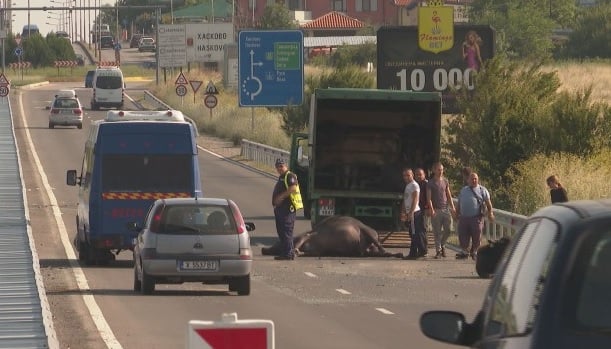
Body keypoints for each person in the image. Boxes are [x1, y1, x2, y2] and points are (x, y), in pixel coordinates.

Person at [455, 172, 494, 260]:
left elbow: (489, 204)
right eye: (472, 179)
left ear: (478, 179)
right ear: (468, 180)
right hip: (464, 217)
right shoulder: (464, 190)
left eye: (475, 179)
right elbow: (459, 203)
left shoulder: (482, 190)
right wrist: (456, 214)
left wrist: (490, 213)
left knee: (477, 234)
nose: (474, 180)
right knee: (463, 234)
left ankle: (475, 251)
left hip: (476, 217)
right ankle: (464, 251)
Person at [427, 162, 456, 258]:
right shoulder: (430, 183)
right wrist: (431, 209)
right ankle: (438, 251)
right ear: (434, 170)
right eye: (439, 169)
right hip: (436, 209)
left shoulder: (445, 181)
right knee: (437, 232)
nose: (441, 171)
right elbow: (429, 198)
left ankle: (442, 244)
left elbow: (448, 195)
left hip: (445, 208)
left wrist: (452, 207)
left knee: (449, 230)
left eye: (442, 170)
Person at [271, 158, 299, 260]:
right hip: (281, 209)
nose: (279, 168)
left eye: (281, 166)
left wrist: (281, 197)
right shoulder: (281, 177)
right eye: (278, 167)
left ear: (285, 166)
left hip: (287, 209)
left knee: (286, 231)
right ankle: (286, 252)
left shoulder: (289, 175)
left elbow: (293, 188)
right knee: (281, 231)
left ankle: (288, 253)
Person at [400, 168, 427, 259]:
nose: (406, 177)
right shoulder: (408, 186)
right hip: (409, 212)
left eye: (408, 175)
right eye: (404, 175)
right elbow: (405, 199)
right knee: (412, 233)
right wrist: (403, 212)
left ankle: (414, 253)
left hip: (415, 212)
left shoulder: (415, 185)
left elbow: (415, 199)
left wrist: (411, 212)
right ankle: (418, 251)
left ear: (412, 175)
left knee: (415, 233)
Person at [414, 168, 430, 256]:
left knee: (422, 230)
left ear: (424, 175)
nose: (419, 176)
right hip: (416, 209)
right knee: (417, 229)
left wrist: (428, 207)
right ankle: (420, 248)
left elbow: (429, 197)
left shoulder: (427, 184)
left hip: (423, 209)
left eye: (420, 174)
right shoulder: (414, 184)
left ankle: (423, 250)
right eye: (417, 175)